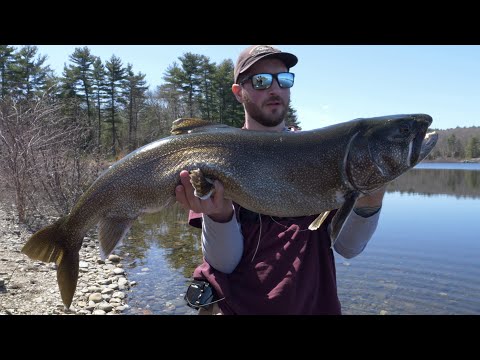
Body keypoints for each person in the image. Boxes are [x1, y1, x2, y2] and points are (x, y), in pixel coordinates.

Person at [175, 45, 386, 315]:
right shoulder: (214, 154)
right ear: (239, 93)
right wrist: (219, 214)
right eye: (261, 81)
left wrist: (371, 199)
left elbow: (348, 247)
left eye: (283, 80)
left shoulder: (317, 153)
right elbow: (224, 264)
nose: (275, 89)